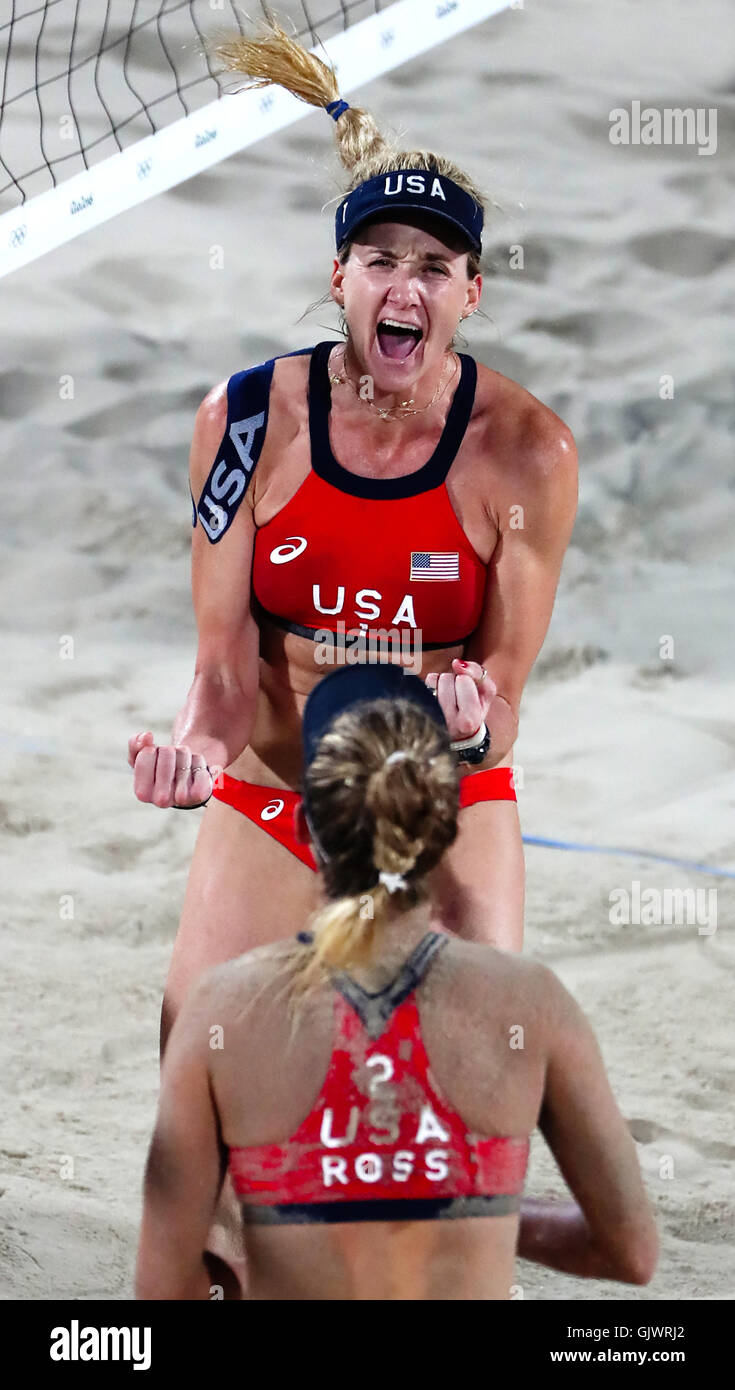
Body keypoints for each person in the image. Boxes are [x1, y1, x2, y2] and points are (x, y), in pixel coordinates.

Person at [128, 16, 578, 1050]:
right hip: (279, 775)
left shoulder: (528, 454)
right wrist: (196, 749)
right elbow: (224, 665)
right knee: (201, 1059)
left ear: (472, 293)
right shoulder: (242, 422)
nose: (404, 285)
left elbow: (503, 702)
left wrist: (475, 717)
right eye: (380, 259)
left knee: (478, 1061)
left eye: (434, 266)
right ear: (341, 279)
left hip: (440, 780)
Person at [135, 666, 657, 1301]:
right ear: (448, 826)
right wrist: (471, 1210)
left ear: (304, 829)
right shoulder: (532, 1003)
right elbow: (629, 1251)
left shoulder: (221, 1012)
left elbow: (166, 1287)